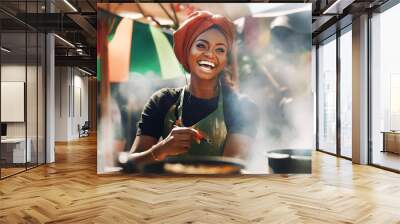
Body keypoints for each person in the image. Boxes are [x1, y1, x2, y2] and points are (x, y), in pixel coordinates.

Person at [127, 11, 259, 164]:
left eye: (220, 49)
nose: (210, 54)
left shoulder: (243, 108)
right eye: (201, 45)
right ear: (186, 51)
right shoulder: (161, 101)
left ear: (225, 59)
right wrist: (161, 149)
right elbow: (130, 163)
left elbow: (231, 169)